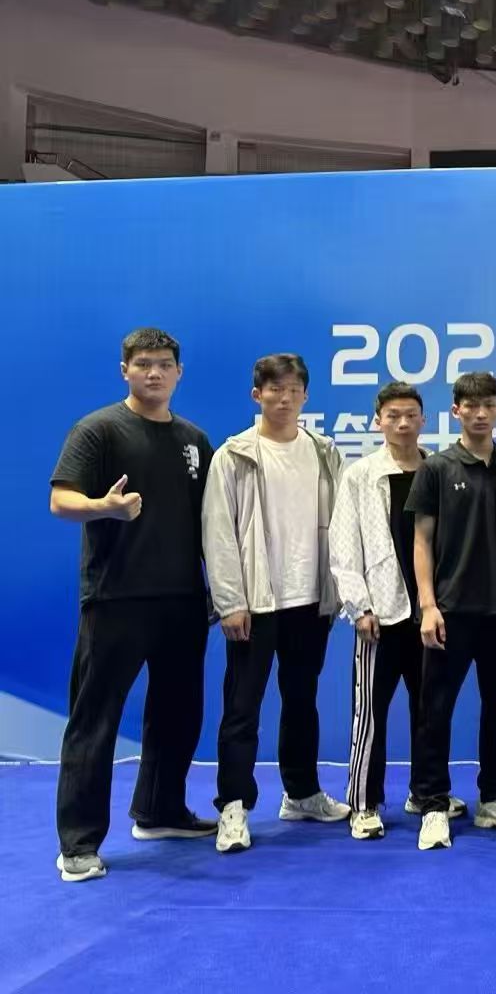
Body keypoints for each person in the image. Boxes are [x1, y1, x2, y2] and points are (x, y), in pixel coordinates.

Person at [49, 328, 215, 882]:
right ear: (125, 370)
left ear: (179, 372)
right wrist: (105, 507)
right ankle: (78, 844)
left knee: (177, 713)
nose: (154, 372)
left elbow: (209, 524)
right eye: (143, 363)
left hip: (182, 600)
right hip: (116, 598)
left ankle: (160, 811)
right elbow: (60, 499)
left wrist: (219, 591)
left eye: (164, 363)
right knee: (95, 720)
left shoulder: (194, 440)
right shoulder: (97, 429)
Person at [203, 353, 350, 853]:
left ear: (306, 395)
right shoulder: (235, 455)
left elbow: (342, 527)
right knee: (242, 707)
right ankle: (233, 806)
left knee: (302, 700)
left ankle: (302, 793)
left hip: (310, 601)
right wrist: (230, 601)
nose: (284, 398)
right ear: (257, 395)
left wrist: (337, 592)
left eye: (293, 390)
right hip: (255, 602)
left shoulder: (325, 452)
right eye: (274, 389)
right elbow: (218, 534)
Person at [329, 381, 464, 842]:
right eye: (393, 416)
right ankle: (364, 803)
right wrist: (359, 606)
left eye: (411, 415)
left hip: (430, 614)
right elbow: (344, 546)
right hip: (381, 616)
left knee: (431, 711)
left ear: (424, 420)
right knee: (370, 715)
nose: (403, 423)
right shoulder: (361, 475)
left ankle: (425, 794)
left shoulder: (441, 470)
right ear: (378, 422)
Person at [408, 373, 496, 851]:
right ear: (456, 410)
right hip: (450, 611)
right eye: (471, 405)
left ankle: (493, 797)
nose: (481, 413)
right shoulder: (436, 468)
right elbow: (421, 541)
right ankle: (432, 804)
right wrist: (427, 605)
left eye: (489, 405)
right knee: (435, 711)